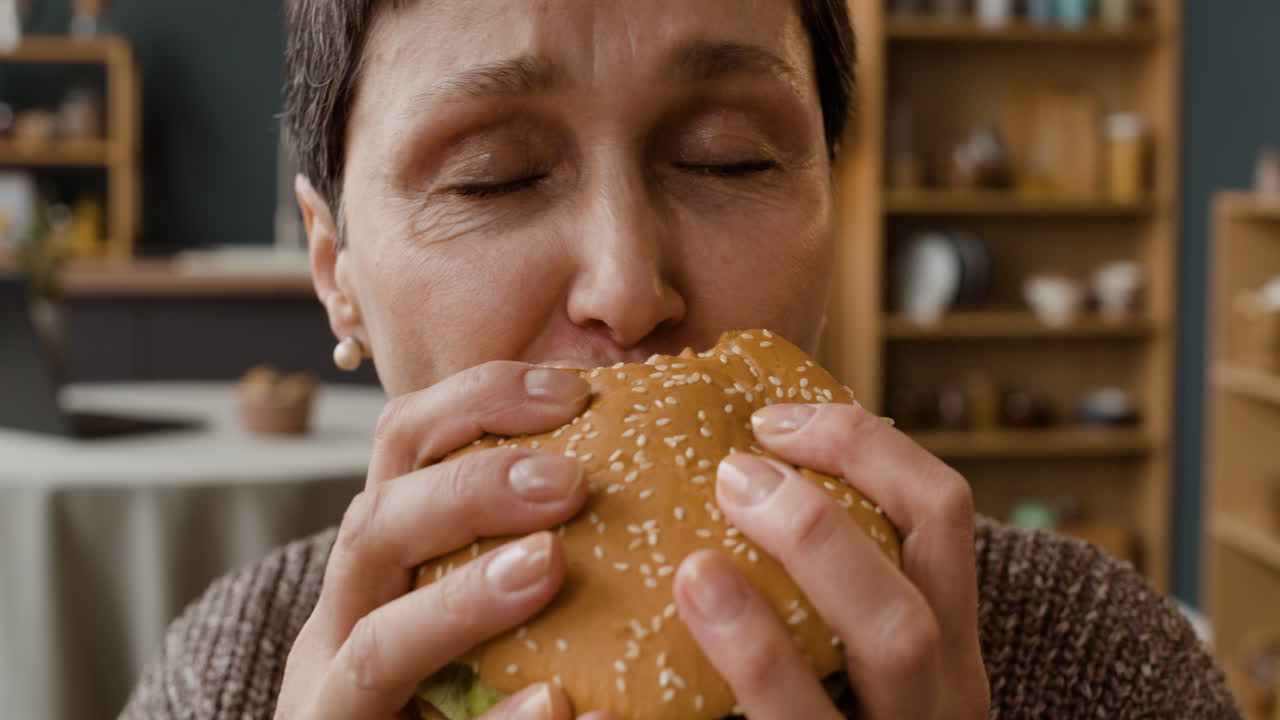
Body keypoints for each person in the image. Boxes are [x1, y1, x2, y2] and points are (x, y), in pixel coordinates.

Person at [122, 1, 1241, 718]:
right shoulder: (225, 677)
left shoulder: (1096, 663)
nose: (624, 286)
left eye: (731, 160)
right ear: (336, 270)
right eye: (492, 177)